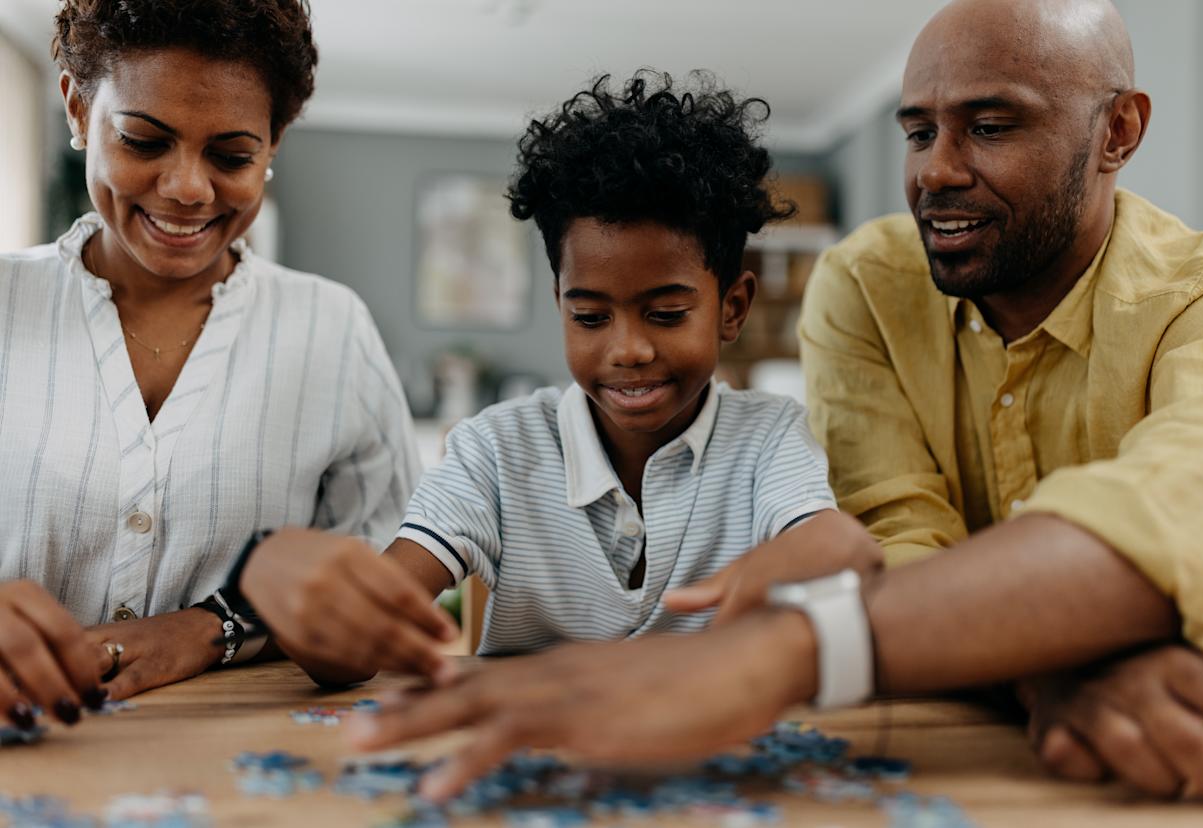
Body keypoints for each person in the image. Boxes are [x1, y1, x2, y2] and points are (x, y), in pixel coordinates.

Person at [339, 0, 1203, 805]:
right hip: (1028, 732)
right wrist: (1050, 665)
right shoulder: (871, 285)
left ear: (1118, 130)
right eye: (918, 132)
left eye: (991, 125)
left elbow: (1177, 514)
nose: (935, 172)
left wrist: (784, 650)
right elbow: (901, 540)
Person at [238, 71, 876, 686]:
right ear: (559, 304)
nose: (627, 349)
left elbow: (835, 543)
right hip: (526, 760)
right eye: (591, 316)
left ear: (732, 308)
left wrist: (811, 558)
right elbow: (353, 646)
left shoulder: (769, 438)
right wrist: (325, 613)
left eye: (666, 314)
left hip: (709, 760)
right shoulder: (493, 451)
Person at [0, 0, 419, 731]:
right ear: (75, 106)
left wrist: (210, 628)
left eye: (231, 156)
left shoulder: (331, 328)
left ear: (274, 142)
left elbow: (382, 584)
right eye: (142, 140)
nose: (189, 188)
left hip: (235, 764)